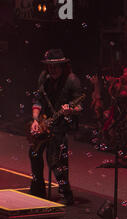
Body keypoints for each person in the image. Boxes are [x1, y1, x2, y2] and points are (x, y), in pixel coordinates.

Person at [29, 49, 83, 205]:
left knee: (56, 161)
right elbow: (37, 100)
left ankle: (66, 195)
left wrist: (71, 110)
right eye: (49, 66)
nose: (52, 70)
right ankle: (38, 189)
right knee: (34, 153)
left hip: (61, 125)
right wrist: (35, 120)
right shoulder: (43, 78)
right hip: (44, 123)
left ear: (63, 65)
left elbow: (80, 108)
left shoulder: (72, 81)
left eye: (55, 66)